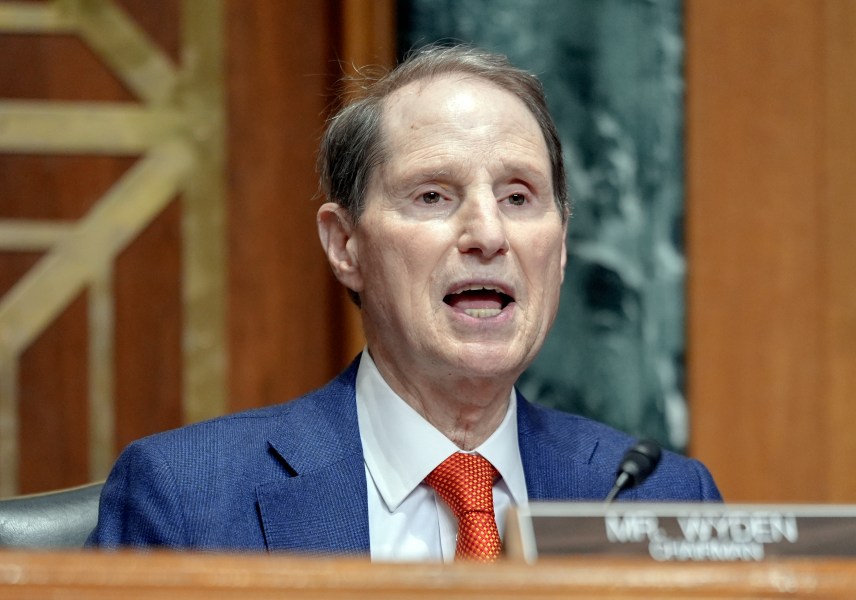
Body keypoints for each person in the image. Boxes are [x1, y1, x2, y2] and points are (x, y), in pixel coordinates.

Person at [87, 44, 720, 561]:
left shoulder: (658, 500)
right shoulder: (186, 499)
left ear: (560, 247)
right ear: (346, 245)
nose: (489, 235)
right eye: (433, 196)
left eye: (519, 197)